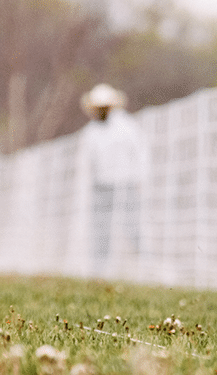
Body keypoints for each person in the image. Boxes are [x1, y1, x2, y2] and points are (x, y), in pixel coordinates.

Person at [73, 84, 148, 280]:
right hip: (101, 187)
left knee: (134, 228)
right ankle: (98, 272)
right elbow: (87, 164)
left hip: (126, 184)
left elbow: (140, 155)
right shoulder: (90, 132)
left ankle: (147, 267)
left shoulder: (128, 127)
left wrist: (140, 180)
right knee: (100, 230)